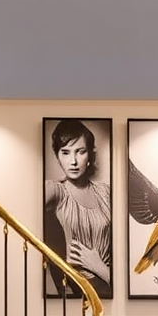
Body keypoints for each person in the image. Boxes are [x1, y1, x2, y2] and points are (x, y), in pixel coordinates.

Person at [44, 119, 112, 298]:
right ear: (57, 157)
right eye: (65, 153)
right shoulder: (57, 190)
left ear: (90, 155)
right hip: (78, 287)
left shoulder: (106, 192)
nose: (73, 161)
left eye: (80, 152)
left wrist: (98, 265)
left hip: (108, 286)